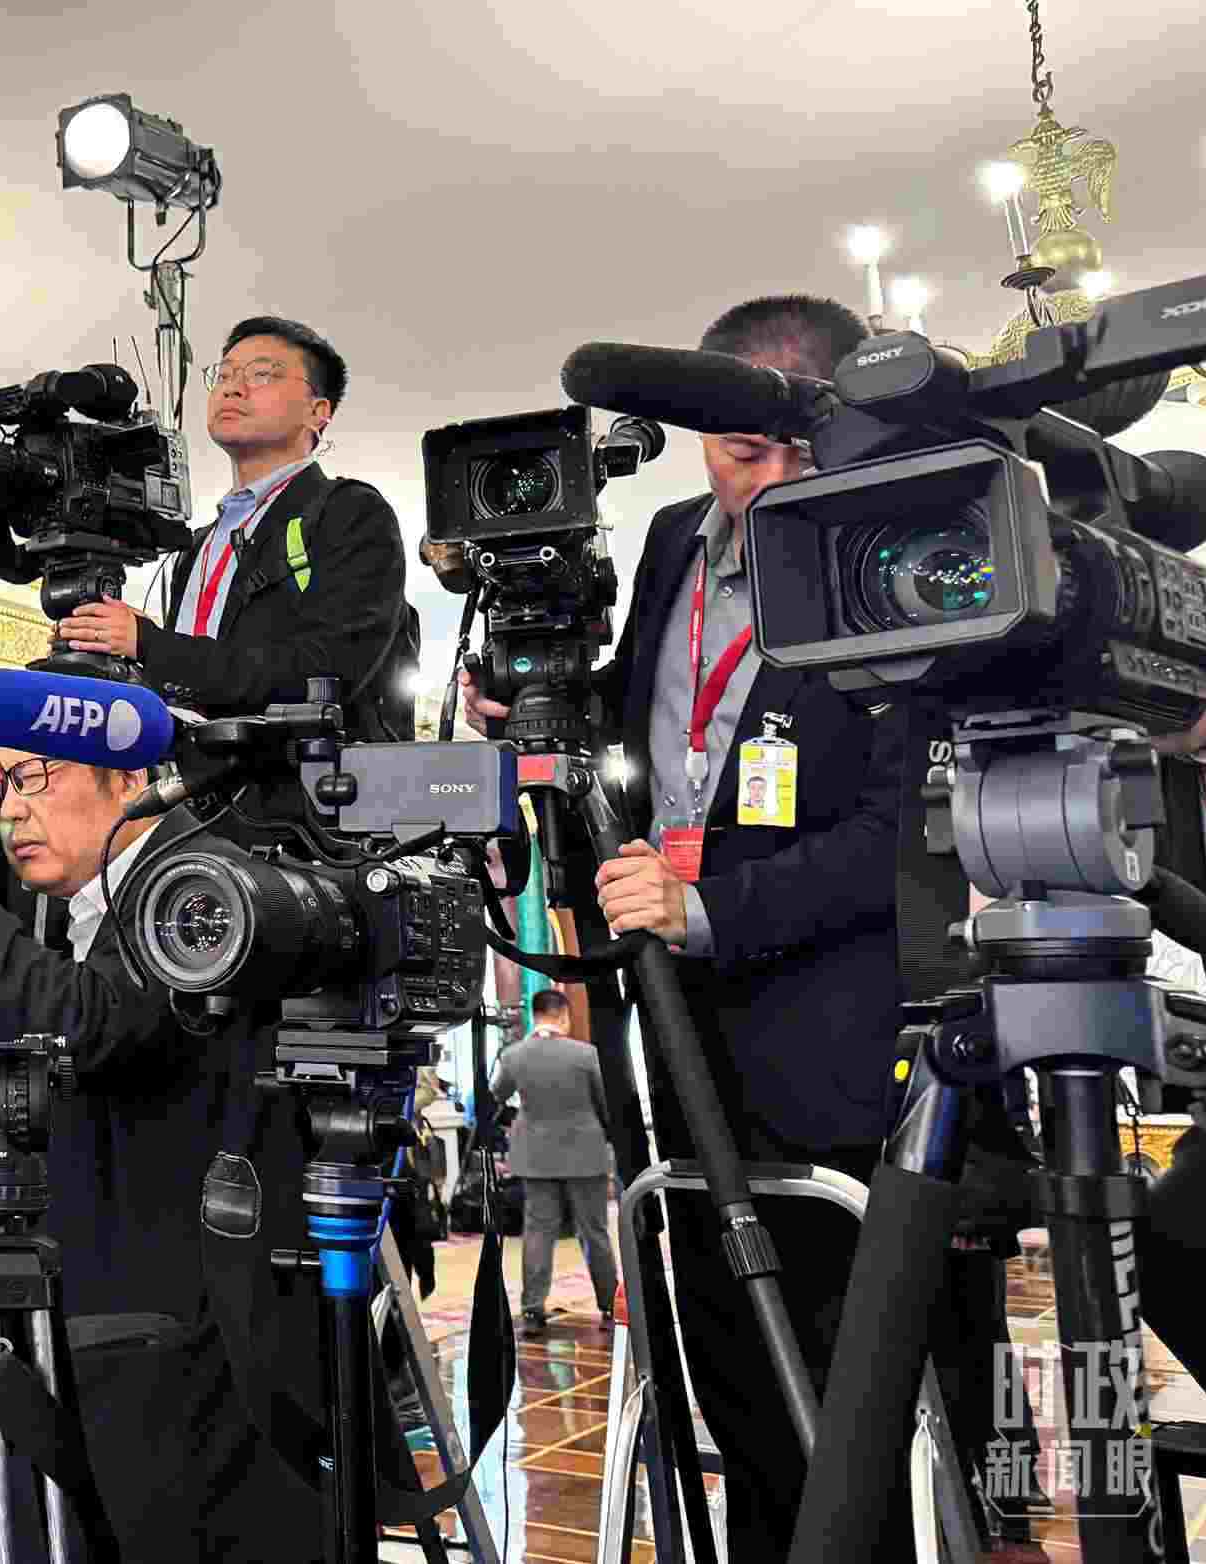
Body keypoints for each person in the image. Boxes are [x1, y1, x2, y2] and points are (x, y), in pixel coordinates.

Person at [462, 293, 928, 1558]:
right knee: (712, 1345)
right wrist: (533, 705)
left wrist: (714, 905)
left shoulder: (895, 557)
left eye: (792, 449)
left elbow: (895, 829)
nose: (765, 478)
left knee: (832, 1380)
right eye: (736, 449)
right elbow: (644, 711)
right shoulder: (673, 538)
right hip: (665, 1012)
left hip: (822, 1027)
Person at [0, 750, 326, 1563]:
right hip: (131, 1336)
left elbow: (79, 1021)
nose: (9, 811)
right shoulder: (80, 908)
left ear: (131, 778)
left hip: (198, 1364)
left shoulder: (197, 888)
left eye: (33, 777)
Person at [53, 315, 419, 744]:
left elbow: (329, 671)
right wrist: (126, 646)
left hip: (312, 781)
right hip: (196, 776)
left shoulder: (350, 512)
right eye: (223, 375)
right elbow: (202, 678)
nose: (232, 388)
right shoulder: (199, 544)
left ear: (318, 412)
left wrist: (152, 645)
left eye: (261, 375)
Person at [489, 988, 618, 1334]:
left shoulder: (514, 1055)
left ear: (535, 1016)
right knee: (594, 1232)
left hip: (536, 1157)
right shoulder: (586, 1055)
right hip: (585, 1154)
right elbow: (605, 1104)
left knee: (538, 1233)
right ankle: (609, 1305)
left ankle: (532, 1311)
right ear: (563, 1015)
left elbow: (496, 1095)